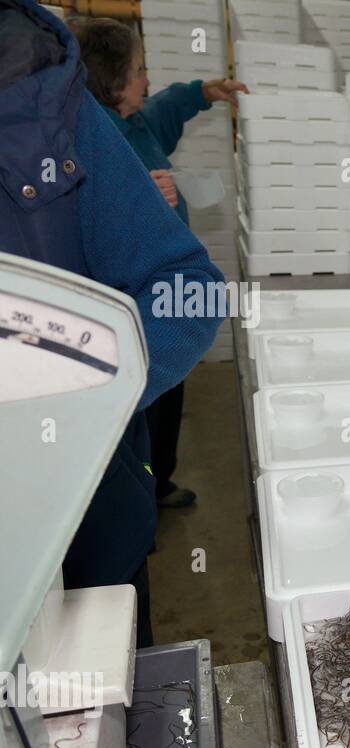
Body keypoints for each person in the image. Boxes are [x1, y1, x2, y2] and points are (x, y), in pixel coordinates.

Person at [0, 0, 226, 646]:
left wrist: (88, 403)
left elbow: (185, 285)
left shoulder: (61, 111)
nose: (147, 83)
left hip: (88, 537)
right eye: (141, 70)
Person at [68, 16, 247, 510]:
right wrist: (148, 198)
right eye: (139, 69)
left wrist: (204, 91)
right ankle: (141, 494)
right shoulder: (95, 139)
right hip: (133, 310)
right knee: (142, 417)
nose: (147, 79)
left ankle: (157, 481)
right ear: (111, 79)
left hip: (161, 306)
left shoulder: (137, 122)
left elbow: (167, 105)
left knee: (167, 406)